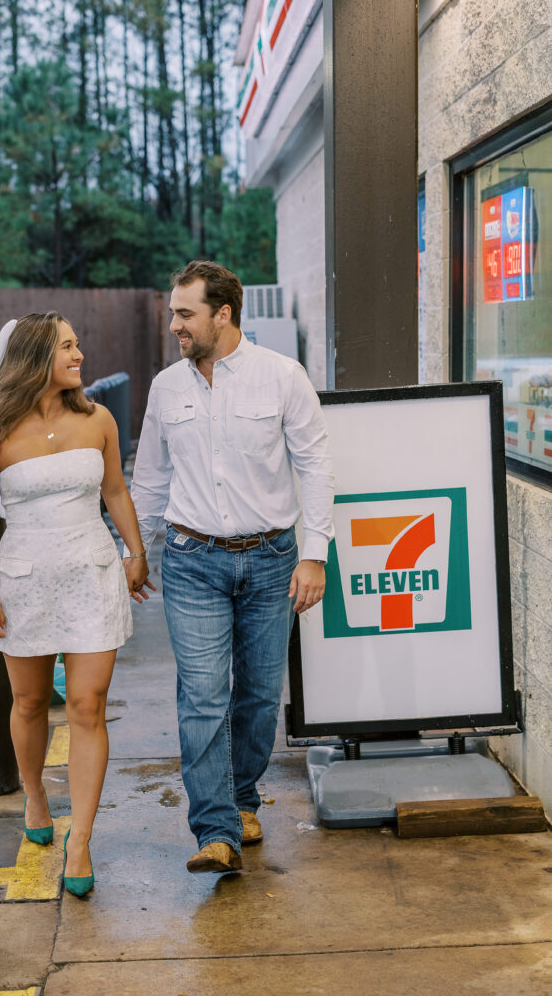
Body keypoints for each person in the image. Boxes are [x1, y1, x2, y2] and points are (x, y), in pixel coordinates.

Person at [124, 261, 334, 873]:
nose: (174, 326)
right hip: (191, 561)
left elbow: (316, 466)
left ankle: (243, 798)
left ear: (223, 314)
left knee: (261, 697)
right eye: (173, 313)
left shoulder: (281, 378)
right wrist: (136, 552)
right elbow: (151, 478)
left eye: (185, 314)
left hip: (271, 559)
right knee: (203, 697)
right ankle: (215, 829)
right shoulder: (167, 387)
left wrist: (315, 554)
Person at [0, 313, 153, 897]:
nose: (79, 353)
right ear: (35, 358)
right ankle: (37, 794)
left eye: (77, 343)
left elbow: (114, 490)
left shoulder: (97, 419)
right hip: (23, 581)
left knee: (88, 706)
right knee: (29, 702)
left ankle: (82, 840)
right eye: (68, 346)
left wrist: (135, 549)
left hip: (92, 572)